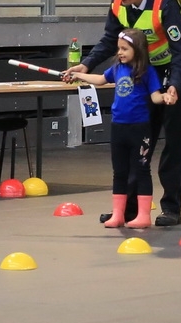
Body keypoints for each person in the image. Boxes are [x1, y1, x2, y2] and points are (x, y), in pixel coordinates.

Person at [61, 0, 181, 227]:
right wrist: (86, 64)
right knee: (139, 142)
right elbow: (109, 40)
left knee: (174, 143)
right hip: (140, 75)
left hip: (171, 73)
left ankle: (171, 208)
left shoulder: (165, 4)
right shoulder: (117, 4)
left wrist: (174, 85)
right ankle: (129, 209)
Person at [67, 30, 172, 229]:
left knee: (142, 170)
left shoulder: (147, 72)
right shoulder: (117, 68)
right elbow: (100, 79)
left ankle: (143, 215)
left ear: (137, 50)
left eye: (125, 49)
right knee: (119, 172)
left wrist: (165, 97)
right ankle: (118, 214)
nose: (120, 52)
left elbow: (155, 96)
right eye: (119, 48)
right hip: (119, 127)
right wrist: (78, 74)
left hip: (139, 128)